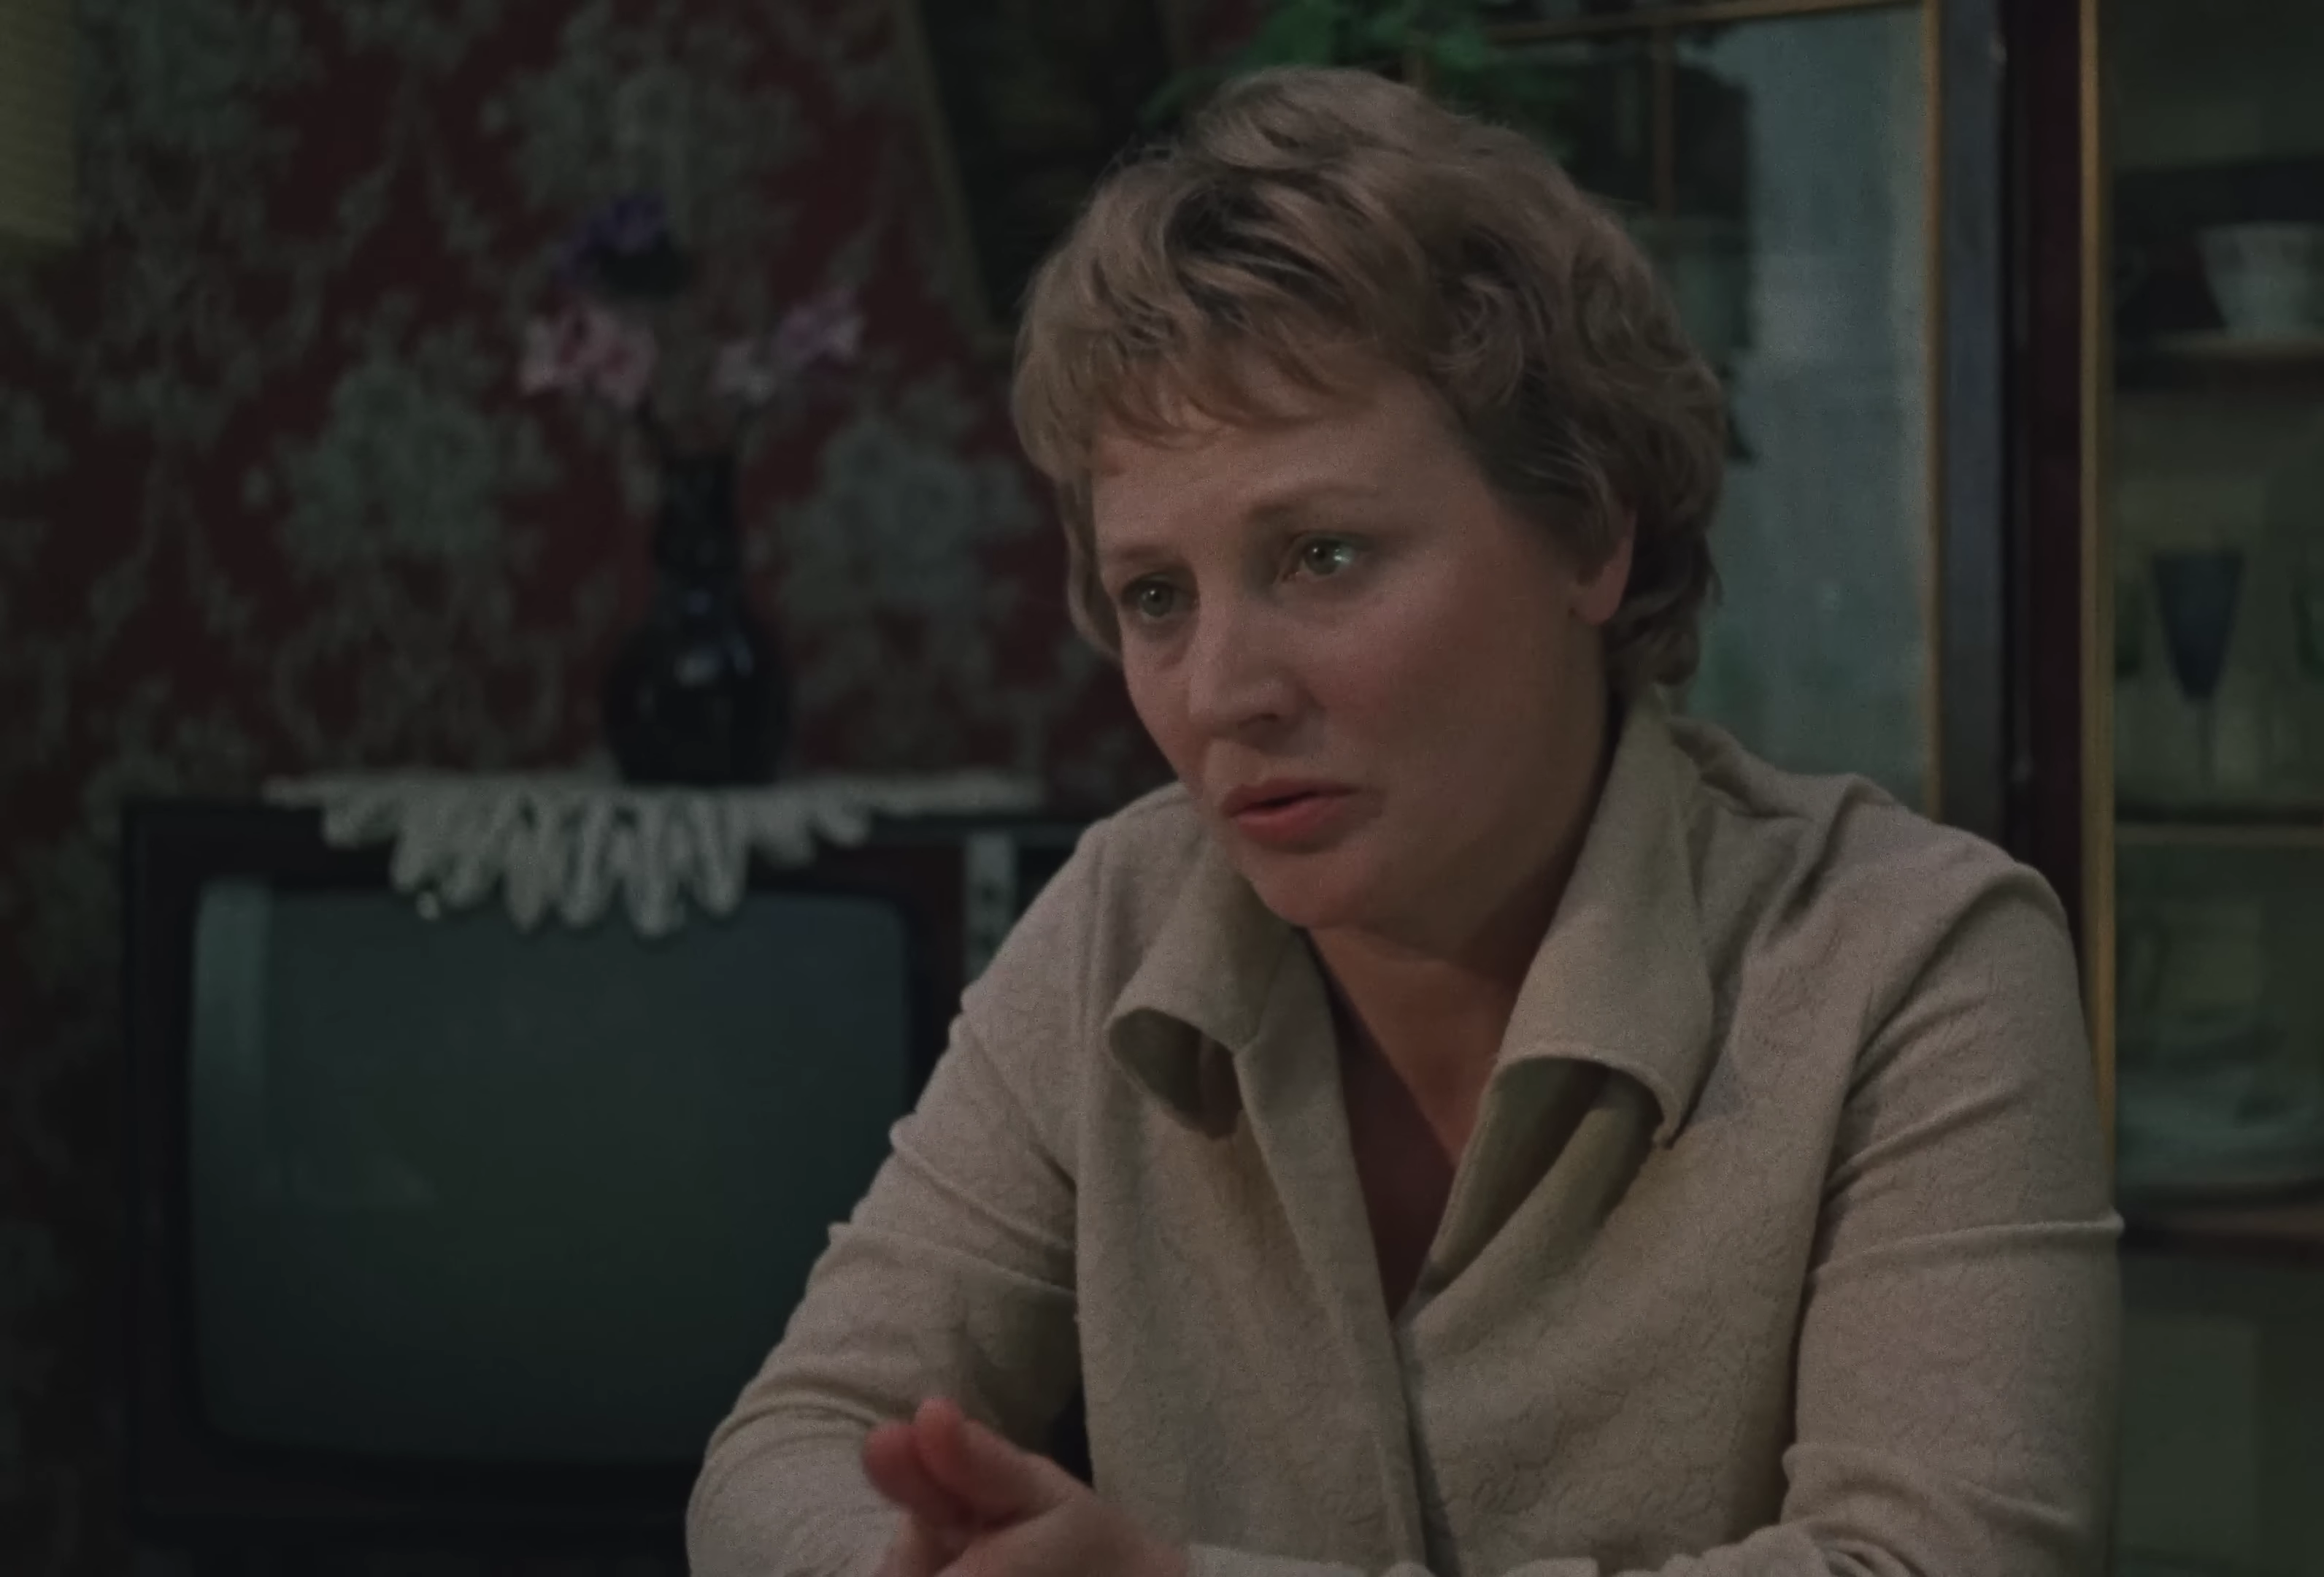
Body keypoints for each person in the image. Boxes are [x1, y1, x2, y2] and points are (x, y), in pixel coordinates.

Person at [688, 64, 2120, 1577]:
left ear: (1590, 534)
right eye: (1156, 596)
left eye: (1321, 555)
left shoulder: (1911, 962)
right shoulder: (1122, 917)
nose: (1223, 693)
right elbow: (787, 1449)